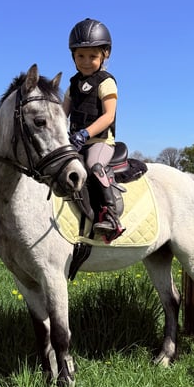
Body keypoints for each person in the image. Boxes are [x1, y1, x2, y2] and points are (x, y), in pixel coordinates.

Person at [63, 18, 124, 238]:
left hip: (100, 142)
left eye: (92, 56)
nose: (86, 61)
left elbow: (108, 116)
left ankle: (110, 215)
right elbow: (62, 114)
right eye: (80, 56)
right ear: (73, 56)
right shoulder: (72, 85)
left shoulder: (106, 82)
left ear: (104, 55)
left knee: (93, 165)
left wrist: (85, 133)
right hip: (75, 142)